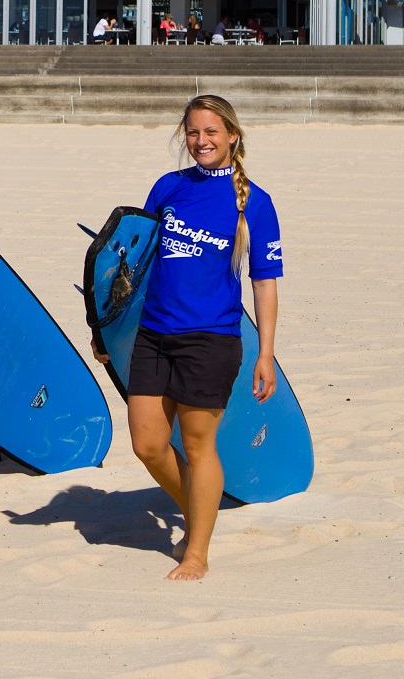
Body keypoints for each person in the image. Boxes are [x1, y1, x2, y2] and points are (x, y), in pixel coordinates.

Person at [103, 94, 281, 581]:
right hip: (154, 333)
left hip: (211, 339)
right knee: (147, 444)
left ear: (232, 137)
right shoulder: (168, 187)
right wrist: (106, 325)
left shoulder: (254, 202)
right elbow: (131, 263)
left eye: (211, 132)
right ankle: (199, 505)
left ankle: (197, 550)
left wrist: (266, 353)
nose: (201, 141)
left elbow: (264, 283)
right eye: (194, 133)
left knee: (199, 445)